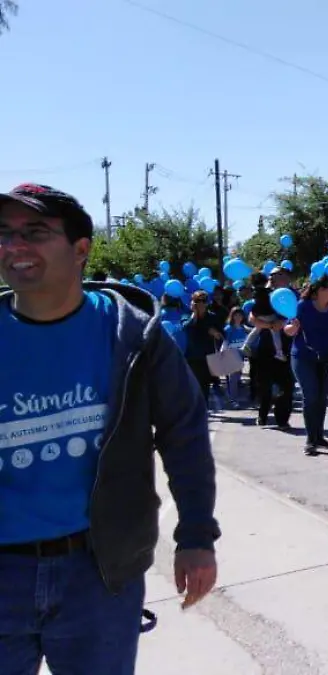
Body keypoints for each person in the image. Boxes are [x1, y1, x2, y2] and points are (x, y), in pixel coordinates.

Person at [0, 183, 219, 673]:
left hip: (98, 575)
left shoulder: (135, 337)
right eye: (4, 233)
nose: (14, 246)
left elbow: (184, 437)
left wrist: (197, 537)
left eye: (35, 232)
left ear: (81, 250)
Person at [284, 275, 328, 456]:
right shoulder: (302, 307)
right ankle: (310, 440)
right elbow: (288, 330)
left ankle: (319, 435)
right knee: (310, 396)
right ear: (320, 290)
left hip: (326, 359)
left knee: (321, 399)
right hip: (303, 358)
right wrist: (293, 329)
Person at [248, 268, 296, 429]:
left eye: (279, 275)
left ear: (287, 278)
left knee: (287, 386)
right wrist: (269, 325)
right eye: (273, 275)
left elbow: (294, 316)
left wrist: (283, 323)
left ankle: (282, 419)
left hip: (288, 347)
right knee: (264, 385)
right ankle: (262, 415)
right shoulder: (264, 294)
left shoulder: (293, 295)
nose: (274, 278)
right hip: (265, 348)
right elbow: (252, 317)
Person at [181, 290, 226, 410]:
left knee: (205, 384)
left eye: (203, 301)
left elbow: (222, 335)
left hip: (208, 355)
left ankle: (203, 408)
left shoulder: (212, 317)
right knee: (192, 384)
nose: (201, 303)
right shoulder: (187, 315)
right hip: (192, 356)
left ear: (207, 303)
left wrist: (216, 333)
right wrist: (195, 314)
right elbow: (186, 328)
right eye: (197, 301)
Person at [224, 307, 250, 408]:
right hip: (231, 354)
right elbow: (225, 342)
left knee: (237, 376)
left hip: (240, 355)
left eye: (240, 315)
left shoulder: (243, 327)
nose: (238, 317)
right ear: (232, 316)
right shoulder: (229, 328)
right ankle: (232, 399)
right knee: (233, 378)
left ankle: (231, 396)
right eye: (236, 315)